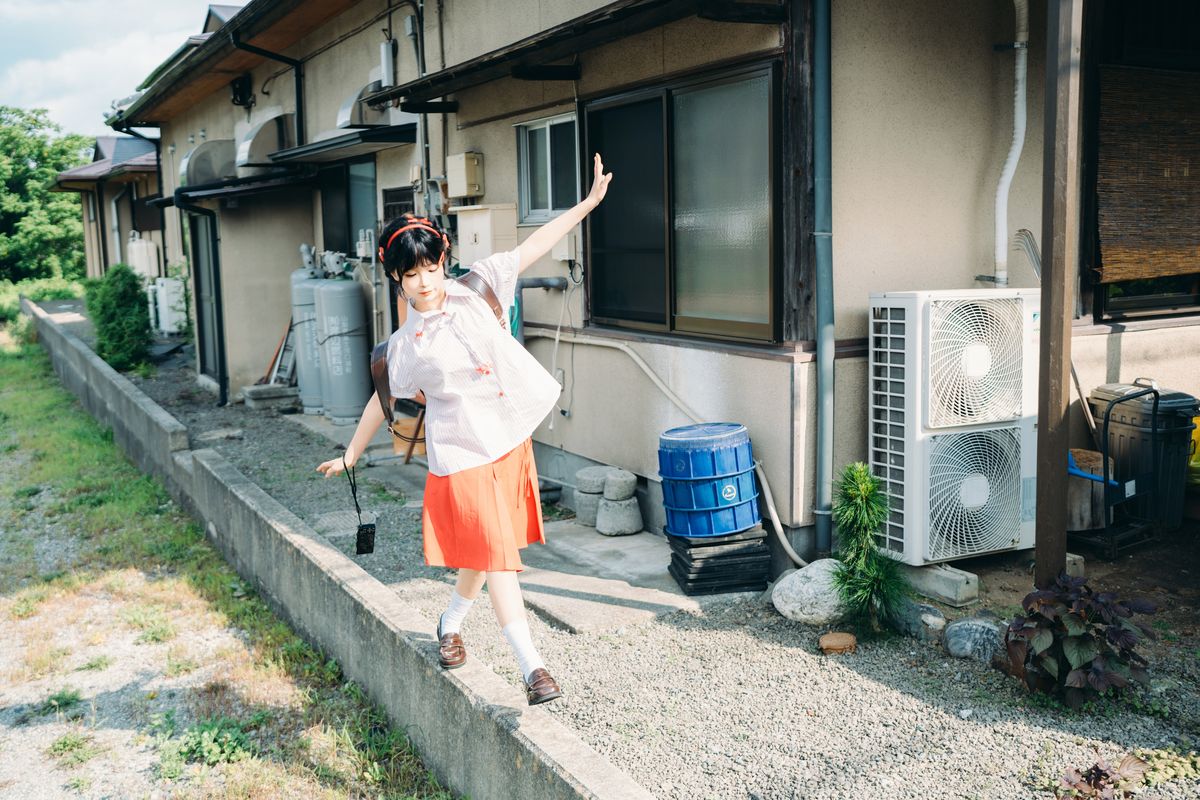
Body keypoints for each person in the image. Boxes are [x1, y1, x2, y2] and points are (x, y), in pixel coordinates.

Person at [317, 154, 613, 705]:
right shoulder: (406, 347)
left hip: (507, 442)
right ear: (396, 279)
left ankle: (450, 623)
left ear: (442, 261)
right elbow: (382, 399)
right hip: (462, 456)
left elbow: (535, 244)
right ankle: (533, 668)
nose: (424, 282)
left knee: (484, 552)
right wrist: (352, 452)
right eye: (410, 275)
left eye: (430, 268)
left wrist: (588, 204)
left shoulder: (478, 287)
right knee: (498, 555)